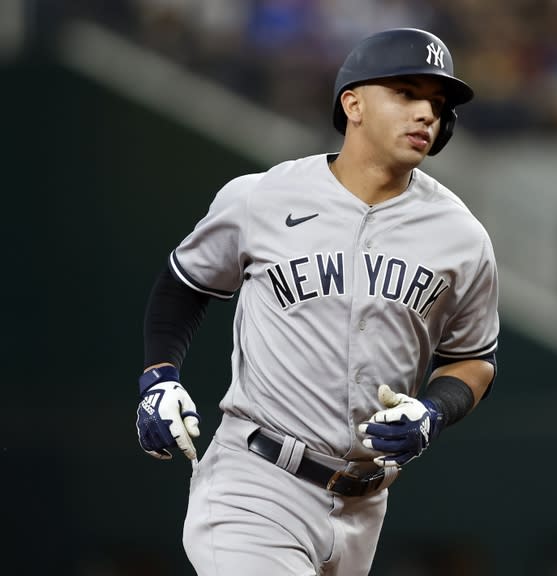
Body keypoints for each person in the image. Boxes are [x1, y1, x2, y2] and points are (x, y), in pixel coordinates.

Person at [134, 28, 499, 576]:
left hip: (364, 504)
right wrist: (159, 378)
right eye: (405, 92)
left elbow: (474, 359)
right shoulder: (261, 197)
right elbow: (184, 285)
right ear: (352, 103)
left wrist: (433, 413)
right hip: (255, 482)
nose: (426, 112)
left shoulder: (461, 236)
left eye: (438, 103)